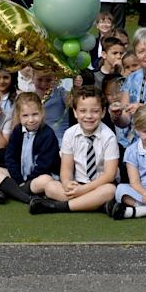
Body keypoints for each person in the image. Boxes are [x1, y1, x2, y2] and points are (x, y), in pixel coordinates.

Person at [29, 86, 121, 215]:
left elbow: (109, 175)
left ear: (103, 112)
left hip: (99, 184)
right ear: (75, 113)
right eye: (83, 111)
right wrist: (67, 183)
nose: (88, 116)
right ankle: (92, 204)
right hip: (77, 183)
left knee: (110, 191)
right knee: (50, 187)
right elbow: (66, 168)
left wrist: (83, 190)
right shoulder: (70, 134)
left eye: (95, 111)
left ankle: (58, 206)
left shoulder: (109, 136)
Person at [0, 91, 59, 204]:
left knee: (46, 180)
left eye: (35, 114)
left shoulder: (48, 134)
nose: (31, 120)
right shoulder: (17, 131)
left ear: (42, 112)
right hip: (20, 176)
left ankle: (12, 191)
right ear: (19, 116)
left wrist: (27, 181)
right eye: (25, 115)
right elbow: (10, 158)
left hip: (37, 177)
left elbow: (44, 166)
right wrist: (19, 180)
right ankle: (26, 197)